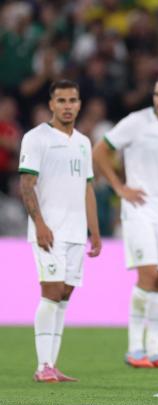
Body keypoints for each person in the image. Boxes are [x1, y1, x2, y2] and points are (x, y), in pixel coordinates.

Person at [92, 74, 158, 369]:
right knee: (148, 275)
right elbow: (100, 151)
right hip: (138, 208)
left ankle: (155, 351)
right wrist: (119, 187)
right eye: (157, 94)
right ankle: (134, 348)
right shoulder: (136, 122)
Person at [18, 80, 101, 382]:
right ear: (51, 104)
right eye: (61, 100)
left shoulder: (83, 142)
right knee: (51, 292)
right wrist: (39, 223)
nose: (68, 106)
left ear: (80, 104)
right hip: (49, 230)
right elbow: (26, 184)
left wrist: (95, 231)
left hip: (77, 231)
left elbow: (88, 187)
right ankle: (42, 366)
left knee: (64, 295)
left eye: (73, 100)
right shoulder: (36, 138)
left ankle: (52, 363)